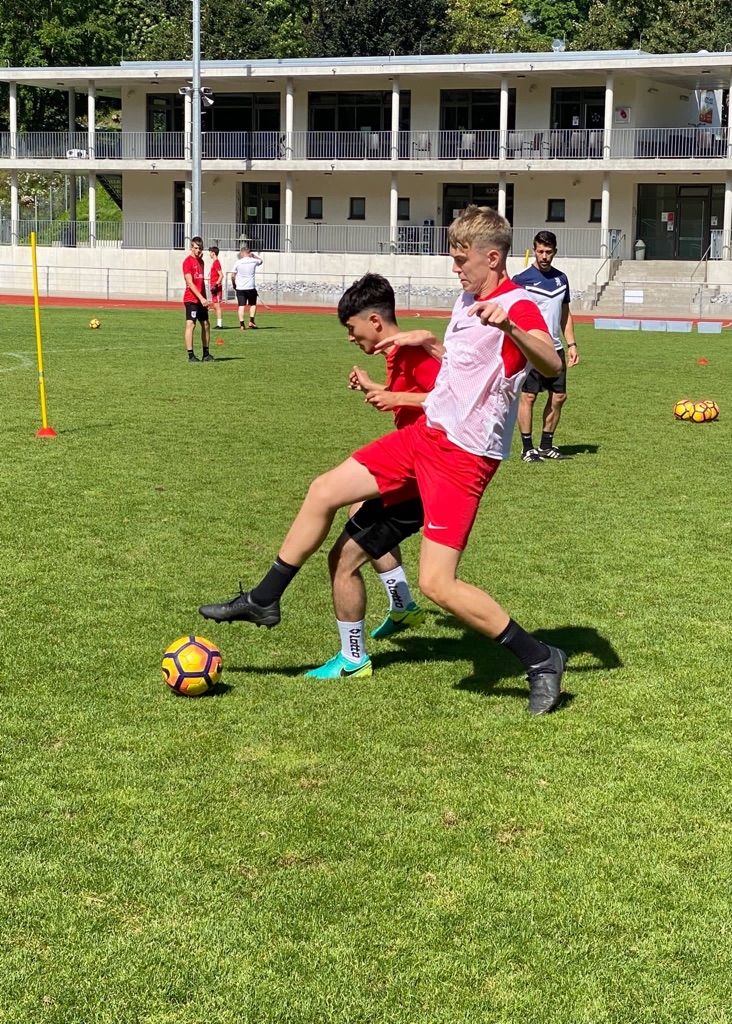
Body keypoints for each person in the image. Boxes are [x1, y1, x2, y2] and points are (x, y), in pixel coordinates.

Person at [200, 206, 567, 714]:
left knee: (438, 583)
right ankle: (265, 598)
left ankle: (541, 658)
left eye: (461, 259)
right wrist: (431, 343)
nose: (454, 268)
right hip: (426, 437)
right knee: (324, 490)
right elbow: (466, 371)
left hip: (463, 457)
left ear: (492, 257)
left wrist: (512, 327)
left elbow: (550, 360)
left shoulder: (517, 304)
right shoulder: (468, 299)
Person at [305, 272, 442, 679]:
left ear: (375, 321)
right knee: (355, 513)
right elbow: (415, 400)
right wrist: (375, 387)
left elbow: (451, 403)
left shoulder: (412, 352)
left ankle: (353, 659)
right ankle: (402, 607)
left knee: (343, 560)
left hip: (422, 475)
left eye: (352, 328)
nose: (350, 337)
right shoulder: (397, 353)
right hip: (413, 469)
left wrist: (394, 395)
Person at [513, 230, 579, 461]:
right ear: (534, 250)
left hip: (556, 348)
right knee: (529, 397)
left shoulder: (562, 279)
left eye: (548, 252)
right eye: (540, 251)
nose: (544, 256)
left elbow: (565, 314)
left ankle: (545, 446)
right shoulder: (521, 280)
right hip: (531, 349)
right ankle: (527, 448)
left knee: (559, 396)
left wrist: (572, 344)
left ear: (555, 252)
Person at [182, 236, 212, 362]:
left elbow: (201, 283)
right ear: (191, 247)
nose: (198, 250)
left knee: (206, 324)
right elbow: (190, 282)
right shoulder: (187, 262)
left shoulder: (201, 262)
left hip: (201, 299)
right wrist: (201, 298)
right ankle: (191, 355)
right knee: (191, 324)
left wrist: (205, 299)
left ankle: (206, 354)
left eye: (200, 248)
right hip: (191, 299)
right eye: (196, 248)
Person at [230, 244, 263, 330]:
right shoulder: (253, 261)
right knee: (252, 304)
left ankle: (242, 325)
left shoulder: (238, 262)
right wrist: (254, 256)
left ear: (242, 253)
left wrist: (234, 284)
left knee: (241, 306)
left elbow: (233, 275)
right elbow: (261, 261)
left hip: (240, 288)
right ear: (249, 253)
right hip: (250, 287)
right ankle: (251, 321)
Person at [208, 246, 224, 330]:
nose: (209, 254)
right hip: (213, 286)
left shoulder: (216, 262)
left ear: (213, 253)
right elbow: (212, 277)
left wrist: (216, 285)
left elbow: (221, 275)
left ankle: (220, 324)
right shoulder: (214, 263)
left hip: (216, 288)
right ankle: (218, 323)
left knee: (217, 306)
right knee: (215, 305)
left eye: (210, 252)